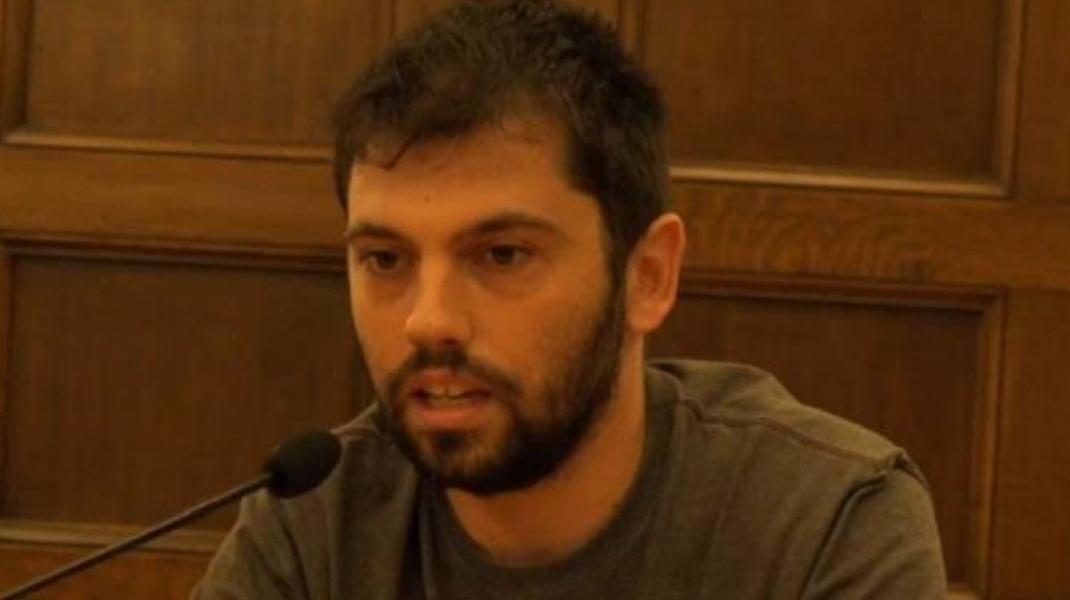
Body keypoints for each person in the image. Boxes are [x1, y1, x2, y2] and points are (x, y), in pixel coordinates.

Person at [192, 0, 946, 597]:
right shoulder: (315, 523)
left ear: (647, 276)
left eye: (502, 255)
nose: (429, 320)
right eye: (386, 260)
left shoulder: (823, 521)